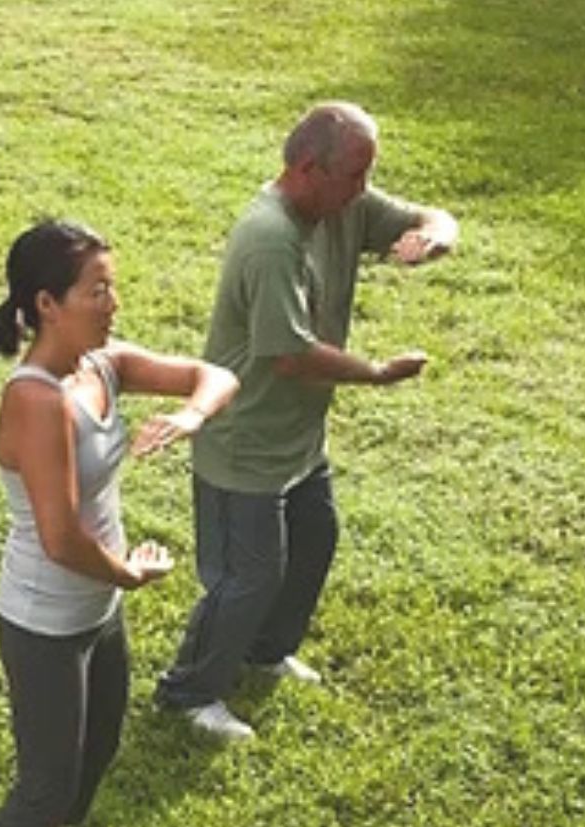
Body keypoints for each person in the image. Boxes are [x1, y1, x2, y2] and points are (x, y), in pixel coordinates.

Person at [0, 221, 238, 827]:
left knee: (96, 748)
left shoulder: (103, 368)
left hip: (98, 608)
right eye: (97, 291)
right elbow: (59, 536)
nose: (113, 302)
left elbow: (215, 374)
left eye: (112, 286)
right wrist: (126, 575)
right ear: (47, 304)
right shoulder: (36, 401)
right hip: (47, 617)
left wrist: (190, 417)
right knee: (45, 778)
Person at [153, 102, 459, 740]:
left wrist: (434, 237)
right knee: (247, 575)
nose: (364, 190)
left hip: (298, 438)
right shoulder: (270, 237)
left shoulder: (341, 203)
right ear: (306, 169)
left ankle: (265, 651)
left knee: (315, 539)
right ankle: (188, 692)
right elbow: (291, 356)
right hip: (245, 442)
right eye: (354, 175)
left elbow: (431, 215)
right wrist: (375, 372)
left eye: (367, 175)